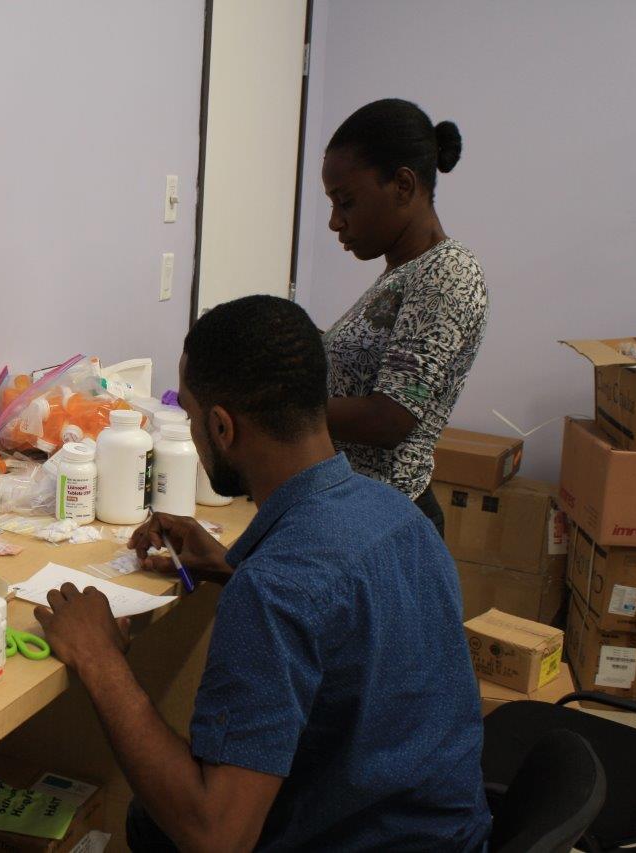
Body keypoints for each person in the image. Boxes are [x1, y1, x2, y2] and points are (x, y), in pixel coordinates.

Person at [35, 296, 490, 852]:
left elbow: (216, 837)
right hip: (443, 832)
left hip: (361, 838)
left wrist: (101, 661)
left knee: (155, 827)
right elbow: (340, 620)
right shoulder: (402, 515)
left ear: (222, 427)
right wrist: (233, 565)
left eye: (194, 419)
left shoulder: (278, 589)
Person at [320, 98, 488, 536]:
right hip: (355, 509)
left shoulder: (447, 273)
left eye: (347, 202)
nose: (335, 222)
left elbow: (390, 417)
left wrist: (279, 411)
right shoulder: (402, 273)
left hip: (388, 521)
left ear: (403, 185)